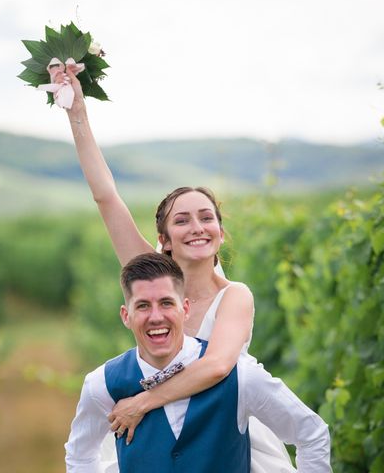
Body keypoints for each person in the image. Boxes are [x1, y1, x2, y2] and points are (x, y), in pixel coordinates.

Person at [60, 66, 303, 471]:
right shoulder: (148, 272)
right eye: (182, 220)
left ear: (221, 233)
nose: (197, 228)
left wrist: (144, 401)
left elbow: (217, 366)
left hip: (220, 436)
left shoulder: (235, 295)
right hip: (154, 434)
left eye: (206, 218)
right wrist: (76, 112)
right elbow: (106, 197)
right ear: (165, 238)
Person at [65, 253, 331, 472]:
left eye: (167, 303)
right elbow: (80, 456)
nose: (156, 317)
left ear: (186, 309)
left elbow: (311, 434)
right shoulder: (102, 384)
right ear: (126, 315)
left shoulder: (241, 377)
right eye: (143, 306)